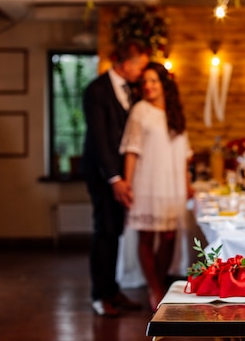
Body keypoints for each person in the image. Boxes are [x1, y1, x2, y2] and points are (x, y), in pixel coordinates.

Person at [82, 39, 149, 317]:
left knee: (116, 232)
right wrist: (115, 178)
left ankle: (113, 289)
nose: (141, 73)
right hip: (103, 174)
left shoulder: (131, 91)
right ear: (126, 64)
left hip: (122, 174)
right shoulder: (96, 90)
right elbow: (99, 138)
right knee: (105, 231)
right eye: (140, 67)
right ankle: (100, 296)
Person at [120, 62, 193, 311]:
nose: (148, 86)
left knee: (170, 236)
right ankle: (155, 289)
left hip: (172, 184)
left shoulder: (175, 113)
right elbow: (131, 149)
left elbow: (184, 155)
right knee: (147, 235)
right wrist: (127, 184)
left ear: (164, 84)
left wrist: (187, 184)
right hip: (146, 182)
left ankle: (160, 282)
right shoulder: (140, 110)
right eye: (145, 82)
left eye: (153, 81)